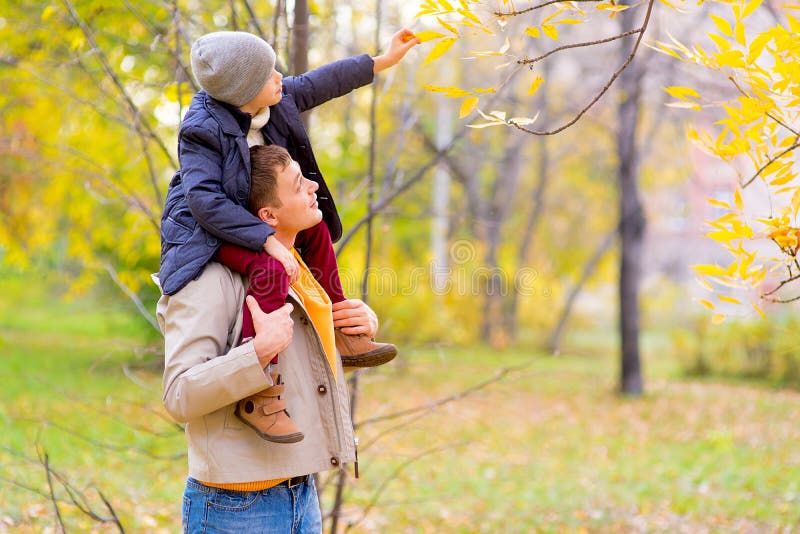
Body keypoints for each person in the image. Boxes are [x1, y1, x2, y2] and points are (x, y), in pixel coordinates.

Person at [158, 28, 419, 374]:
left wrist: (382, 61)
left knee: (318, 228)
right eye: (269, 75)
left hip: (259, 213)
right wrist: (267, 242)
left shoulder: (276, 100)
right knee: (269, 269)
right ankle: (261, 370)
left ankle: (343, 328)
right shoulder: (202, 129)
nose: (280, 77)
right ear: (244, 90)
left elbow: (321, 82)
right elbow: (204, 201)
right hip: (210, 230)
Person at [157, 144, 381, 532]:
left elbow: (302, 366)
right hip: (234, 508)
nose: (313, 186)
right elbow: (178, 394)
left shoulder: (302, 272)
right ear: (267, 215)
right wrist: (256, 352)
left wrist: (359, 322)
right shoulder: (210, 281)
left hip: (301, 492)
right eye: (298, 185)